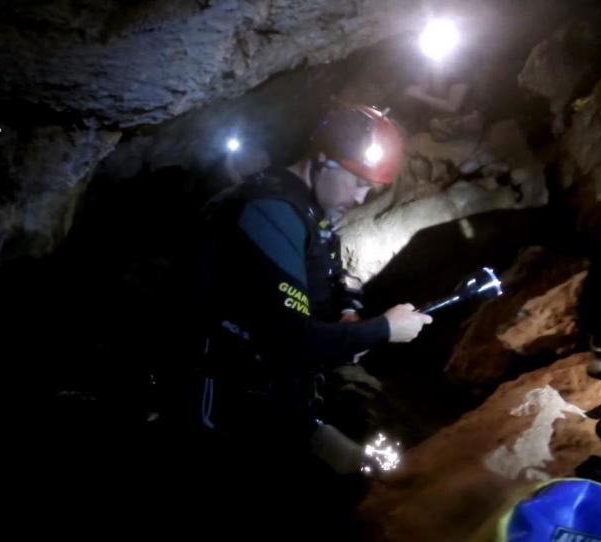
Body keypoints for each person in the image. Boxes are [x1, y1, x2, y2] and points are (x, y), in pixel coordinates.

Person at [168, 104, 433, 533]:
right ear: (322, 161)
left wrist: (348, 312)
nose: (362, 197)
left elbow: (326, 279)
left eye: (370, 188)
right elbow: (292, 337)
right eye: (357, 182)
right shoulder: (269, 210)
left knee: (352, 481)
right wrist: (384, 328)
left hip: (274, 395)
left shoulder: (309, 211)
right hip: (225, 402)